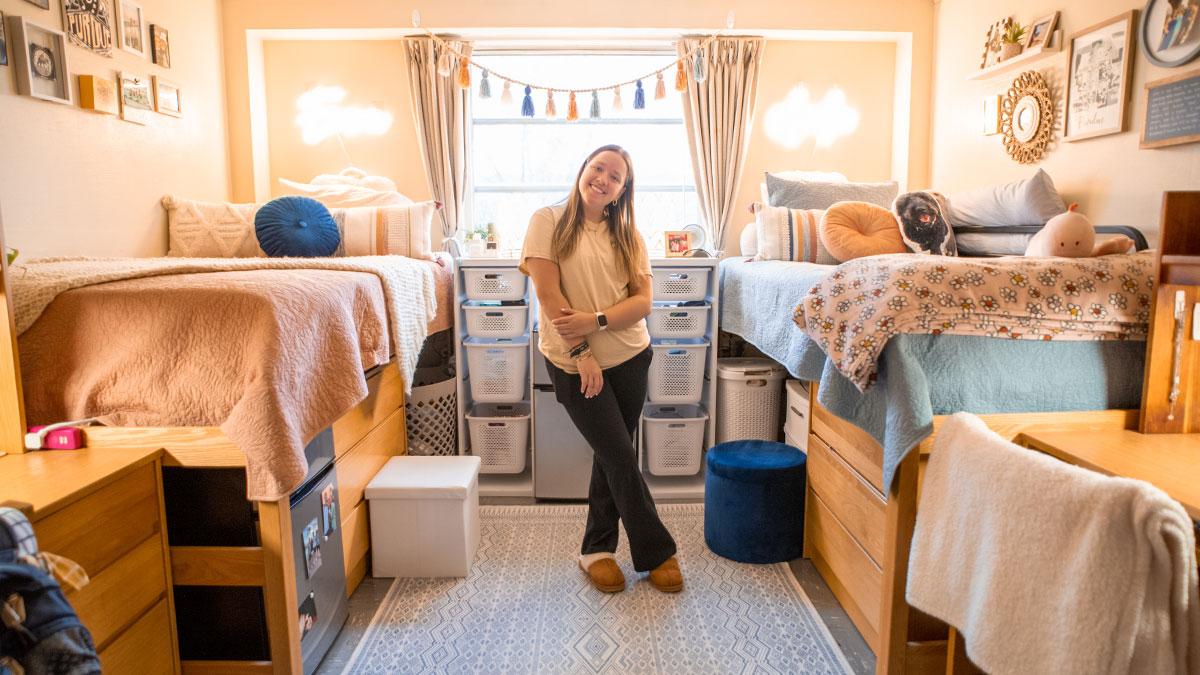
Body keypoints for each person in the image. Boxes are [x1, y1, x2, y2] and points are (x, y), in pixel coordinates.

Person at [519, 144, 683, 594]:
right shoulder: (547, 221)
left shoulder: (628, 235)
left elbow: (643, 303)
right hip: (576, 364)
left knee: (613, 456)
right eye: (598, 168)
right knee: (621, 457)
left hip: (631, 357)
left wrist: (597, 320)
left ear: (622, 190)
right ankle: (657, 551)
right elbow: (549, 296)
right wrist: (581, 352)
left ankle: (596, 549)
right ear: (583, 170)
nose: (603, 179)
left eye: (615, 176)